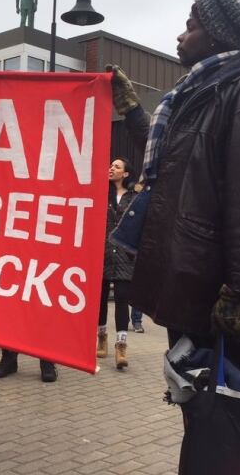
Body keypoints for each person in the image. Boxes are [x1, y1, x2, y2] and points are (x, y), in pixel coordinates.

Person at [108, 0, 240, 375]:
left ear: (217, 35)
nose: (180, 36)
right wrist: (130, 110)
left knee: (223, 410)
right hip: (188, 276)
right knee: (194, 400)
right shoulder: (199, 93)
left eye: (190, 27)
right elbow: (176, 158)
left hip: (215, 291)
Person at [97, 157, 139, 369]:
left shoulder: (134, 197)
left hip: (124, 255)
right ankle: (101, 337)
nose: (111, 168)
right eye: (110, 165)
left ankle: (121, 345)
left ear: (126, 174)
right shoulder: (99, 192)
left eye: (117, 166)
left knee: (122, 298)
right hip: (102, 253)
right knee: (101, 298)